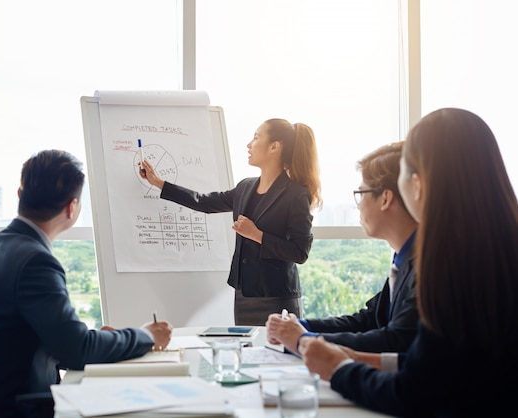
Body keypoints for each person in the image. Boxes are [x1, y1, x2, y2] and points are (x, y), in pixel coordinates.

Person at [299, 108, 518, 417]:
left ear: (418, 184)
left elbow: (415, 393)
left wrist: (338, 368)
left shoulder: (451, 265)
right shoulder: (494, 248)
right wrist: (360, 358)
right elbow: (447, 366)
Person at [0, 150, 173, 418]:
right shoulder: (35, 261)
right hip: (16, 410)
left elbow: (41, 340)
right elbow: (77, 350)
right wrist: (146, 335)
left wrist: (103, 339)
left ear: (19, 194)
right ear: (72, 208)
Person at [140, 118, 321, 326]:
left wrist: (257, 235)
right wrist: (158, 183)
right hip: (243, 295)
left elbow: (300, 252)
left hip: (277, 298)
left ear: (274, 147)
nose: (249, 145)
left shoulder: (296, 194)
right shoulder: (245, 187)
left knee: (279, 357)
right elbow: (205, 202)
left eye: (255, 138)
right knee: (247, 356)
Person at [266, 141, 419, 354]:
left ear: (385, 198)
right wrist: (302, 328)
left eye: (361, 193)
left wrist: (304, 340)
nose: (358, 205)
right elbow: (369, 320)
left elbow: (395, 341)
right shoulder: (403, 259)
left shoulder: (428, 268)